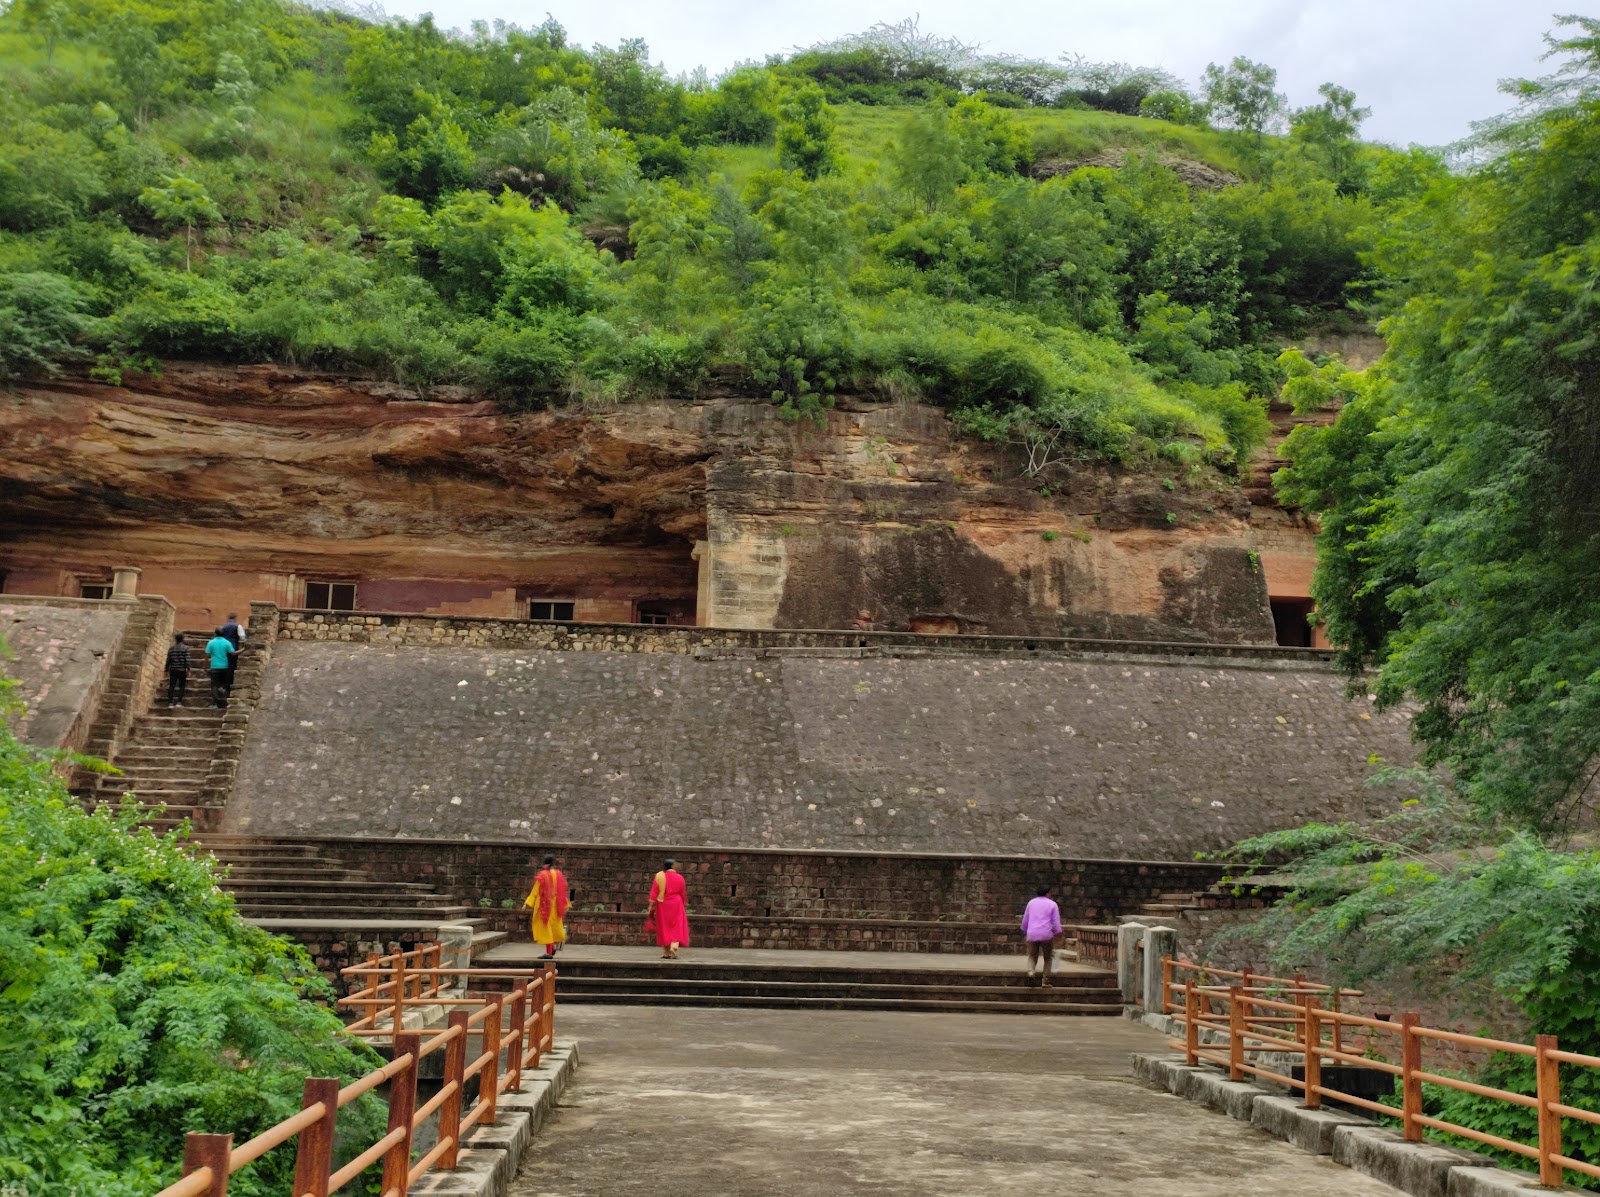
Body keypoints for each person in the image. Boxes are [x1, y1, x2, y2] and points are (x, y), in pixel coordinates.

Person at [524, 855, 571, 959]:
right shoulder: (559, 874)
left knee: (546, 929)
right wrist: (565, 904)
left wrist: (527, 903)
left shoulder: (542, 875)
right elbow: (562, 890)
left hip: (544, 906)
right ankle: (552, 949)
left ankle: (549, 953)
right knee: (554, 928)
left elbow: (535, 891)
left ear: (545, 864)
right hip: (556, 906)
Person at [646, 858, 690, 959]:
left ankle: (666, 951)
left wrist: (650, 905)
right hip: (676, 903)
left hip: (663, 904)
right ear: (673, 866)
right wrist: (684, 903)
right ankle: (673, 948)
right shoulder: (680, 878)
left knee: (664, 926)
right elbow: (682, 893)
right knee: (676, 925)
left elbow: (654, 892)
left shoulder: (659, 876)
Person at [1020, 884, 1063, 987]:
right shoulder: (1052, 904)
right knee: (1048, 958)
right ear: (1048, 893)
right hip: (1046, 934)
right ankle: (1045, 981)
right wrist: (1058, 932)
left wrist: (1025, 929)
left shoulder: (1031, 903)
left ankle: (1031, 972)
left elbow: (1026, 919)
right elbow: (1056, 922)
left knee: (1032, 956)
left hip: (1032, 933)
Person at [204, 627, 238, 709]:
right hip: (224, 666)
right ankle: (224, 698)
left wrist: (205, 667)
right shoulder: (227, 642)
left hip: (215, 666)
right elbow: (233, 653)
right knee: (223, 684)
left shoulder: (211, 643)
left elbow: (207, 656)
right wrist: (243, 650)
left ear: (215, 634)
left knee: (214, 685)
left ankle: (215, 703)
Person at [219, 612, 246, 689]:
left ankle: (222, 683)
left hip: (223, 647)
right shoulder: (238, 626)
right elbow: (242, 637)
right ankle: (228, 683)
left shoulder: (222, 626)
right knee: (231, 665)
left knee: (224, 664)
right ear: (235, 618)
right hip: (233, 646)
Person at [163, 633, 191, 707]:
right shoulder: (185, 648)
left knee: (172, 685)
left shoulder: (171, 649)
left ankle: (170, 702)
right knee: (181, 686)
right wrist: (188, 669)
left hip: (173, 669)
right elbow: (187, 660)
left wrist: (166, 670)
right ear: (182, 639)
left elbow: (168, 660)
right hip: (182, 670)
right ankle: (179, 702)